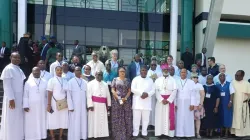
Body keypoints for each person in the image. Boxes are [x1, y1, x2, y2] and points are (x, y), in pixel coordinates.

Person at [0, 52, 26, 140]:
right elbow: (7, 86)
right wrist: (11, 99)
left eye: (18, 58)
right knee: (11, 119)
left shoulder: (19, 69)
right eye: (15, 57)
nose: (17, 59)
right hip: (12, 98)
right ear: (11, 57)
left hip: (19, 98)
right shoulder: (8, 69)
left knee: (18, 119)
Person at [131, 65, 155, 139]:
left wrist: (147, 94)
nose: (144, 72)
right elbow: (132, 89)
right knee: (136, 119)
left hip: (146, 102)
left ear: (147, 71)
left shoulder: (150, 80)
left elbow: (153, 90)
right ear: (140, 71)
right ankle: (135, 133)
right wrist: (141, 93)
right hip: (137, 102)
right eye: (142, 70)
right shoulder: (135, 79)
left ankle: (144, 133)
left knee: (146, 119)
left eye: (145, 70)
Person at [23, 67, 47, 140]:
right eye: (34, 72)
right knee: (31, 121)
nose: (36, 73)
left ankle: (42, 136)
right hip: (31, 106)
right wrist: (25, 105)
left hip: (42, 106)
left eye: (37, 71)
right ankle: (31, 137)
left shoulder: (45, 81)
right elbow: (25, 95)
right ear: (32, 72)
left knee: (41, 120)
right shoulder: (28, 82)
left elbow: (47, 94)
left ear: (40, 72)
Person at [87, 70, 111, 138]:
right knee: (94, 120)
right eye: (98, 74)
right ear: (95, 75)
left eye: (101, 75)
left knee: (102, 120)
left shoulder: (105, 84)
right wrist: (90, 105)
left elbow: (108, 95)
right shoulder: (90, 83)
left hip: (103, 105)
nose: (99, 76)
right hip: (94, 105)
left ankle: (102, 134)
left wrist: (109, 104)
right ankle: (94, 135)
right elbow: (88, 95)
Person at [154, 66, 177, 137]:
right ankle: (159, 133)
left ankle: (169, 134)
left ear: (169, 70)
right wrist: (161, 99)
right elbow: (156, 90)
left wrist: (169, 100)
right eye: (164, 69)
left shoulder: (173, 80)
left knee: (169, 117)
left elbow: (175, 90)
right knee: (159, 117)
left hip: (169, 101)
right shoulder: (158, 80)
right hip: (160, 101)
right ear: (162, 70)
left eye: (167, 69)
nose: (166, 70)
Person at [47, 66, 68, 140]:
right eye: (58, 70)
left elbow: (67, 92)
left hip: (63, 103)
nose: (59, 71)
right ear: (55, 71)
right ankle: (52, 137)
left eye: (60, 70)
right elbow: (49, 93)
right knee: (52, 118)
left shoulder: (65, 80)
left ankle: (60, 136)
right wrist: (49, 104)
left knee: (62, 119)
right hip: (53, 102)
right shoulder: (51, 80)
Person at [111, 67, 133, 140]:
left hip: (126, 101)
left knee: (126, 117)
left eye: (123, 71)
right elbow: (113, 90)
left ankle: (127, 135)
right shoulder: (115, 80)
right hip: (117, 101)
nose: (122, 72)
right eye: (120, 71)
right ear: (118, 72)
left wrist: (125, 98)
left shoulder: (128, 80)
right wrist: (119, 98)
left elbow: (129, 91)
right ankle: (117, 135)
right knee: (117, 117)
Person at [67, 66, 88, 140]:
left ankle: (83, 136)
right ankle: (74, 137)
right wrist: (70, 106)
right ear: (74, 72)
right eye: (76, 70)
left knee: (83, 121)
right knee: (74, 122)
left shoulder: (85, 82)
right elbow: (68, 95)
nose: (78, 71)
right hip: (74, 106)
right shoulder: (70, 82)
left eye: (79, 70)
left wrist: (87, 105)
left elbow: (87, 95)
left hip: (83, 106)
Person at [175, 68, 196, 138]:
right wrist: (175, 104)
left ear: (187, 74)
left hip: (188, 103)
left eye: (184, 72)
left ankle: (188, 134)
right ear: (180, 73)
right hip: (179, 103)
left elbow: (193, 94)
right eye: (182, 72)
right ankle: (179, 134)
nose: (183, 74)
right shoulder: (176, 81)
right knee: (179, 118)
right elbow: (174, 94)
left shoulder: (191, 82)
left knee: (188, 118)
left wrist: (192, 104)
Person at [231, 70, 250, 136]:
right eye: (235, 75)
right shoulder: (232, 82)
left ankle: (243, 133)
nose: (236, 76)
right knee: (234, 119)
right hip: (234, 104)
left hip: (243, 104)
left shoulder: (247, 84)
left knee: (242, 119)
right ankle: (234, 133)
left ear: (242, 76)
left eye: (237, 75)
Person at [216, 73, 234, 137]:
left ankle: (226, 133)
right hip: (220, 104)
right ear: (219, 78)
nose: (222, 77)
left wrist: (230, 101)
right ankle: (221, 132)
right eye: (220, 76)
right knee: (220, 118)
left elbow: (232, 93)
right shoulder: (217, 85)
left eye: (223, 76)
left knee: (227, 118)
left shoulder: (229, 84)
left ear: (225, 77)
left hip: (227, 104)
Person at [147, 60, 162, 127]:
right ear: (150, 65)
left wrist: (155, 78)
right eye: (152, 65)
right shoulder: (148, 72)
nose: (153, 66)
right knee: (150, 107)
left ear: (156, 65)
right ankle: (150, 123)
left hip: (157, 91)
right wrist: (153, 78)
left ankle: (155, 123)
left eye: (154, 65)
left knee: (156, 107)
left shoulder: (159, 72)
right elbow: (147, 80)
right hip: (150, 91)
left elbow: (160, 80)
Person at [191, 73, 205, 138]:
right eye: (193, 77)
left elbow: (202, 95)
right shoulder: (188, 85)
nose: (195, 78)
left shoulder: (200, 85)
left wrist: (201, 104)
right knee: (190, 120)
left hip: (197, 105)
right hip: (190, 105)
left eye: (196, 77)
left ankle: (197, 133)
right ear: (191, 78)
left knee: (198, 120)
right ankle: (191, 133)